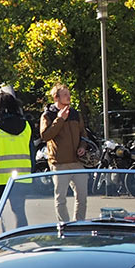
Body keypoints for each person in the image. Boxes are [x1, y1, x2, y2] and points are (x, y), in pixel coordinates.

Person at [0, 90, 31, 225]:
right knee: (19, 211)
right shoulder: (26, 126)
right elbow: (32, 152)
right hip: (22, 176)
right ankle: (21, 239)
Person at [39, 84, 88, 221]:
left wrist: (83, 146)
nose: (68, 96)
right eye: (65, 94)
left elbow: (83, 134)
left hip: (77, 162)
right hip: (59, 164)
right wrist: (60, 119)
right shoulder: (47, 115)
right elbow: (45, 136)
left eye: (69, 93)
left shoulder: (75, 114)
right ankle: (65, 226)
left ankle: (79, 224)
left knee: (82, 197)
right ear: (56, 97)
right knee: (61, 198)